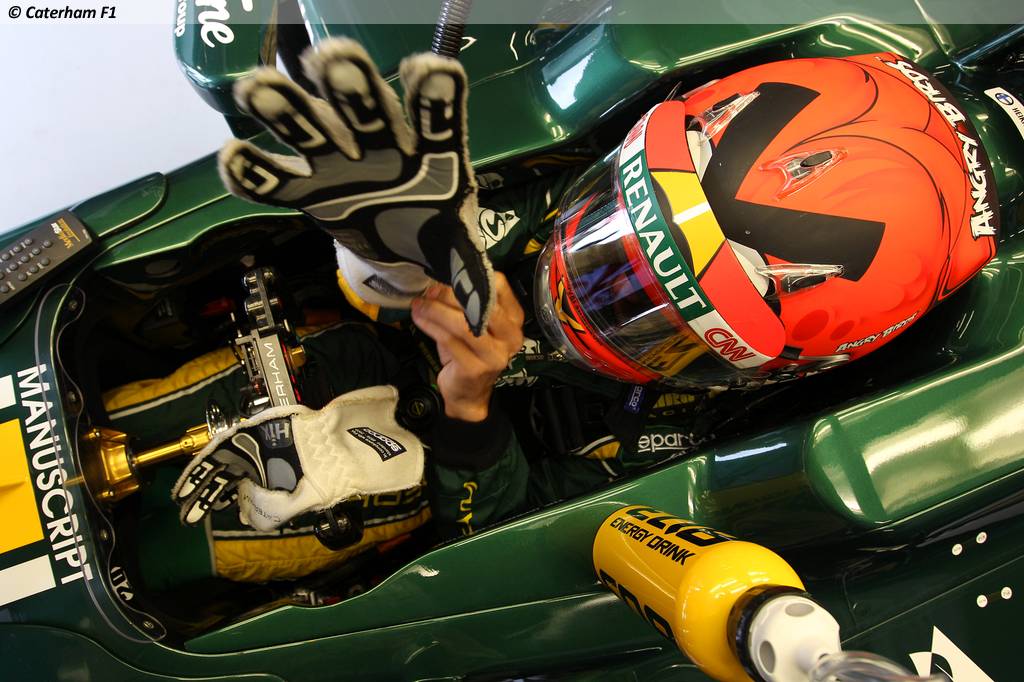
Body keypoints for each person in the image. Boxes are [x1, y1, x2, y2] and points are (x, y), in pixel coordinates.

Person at [110, 39, 999, 585]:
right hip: (345, 356)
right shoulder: (552, 188)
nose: (589, 305)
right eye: (612, 242)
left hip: (414, 457)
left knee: (334, 497)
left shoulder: (681, 431)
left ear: (777, 371)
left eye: (658, 318)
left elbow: (503, 539)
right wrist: (388, 257)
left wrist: (468, 411)